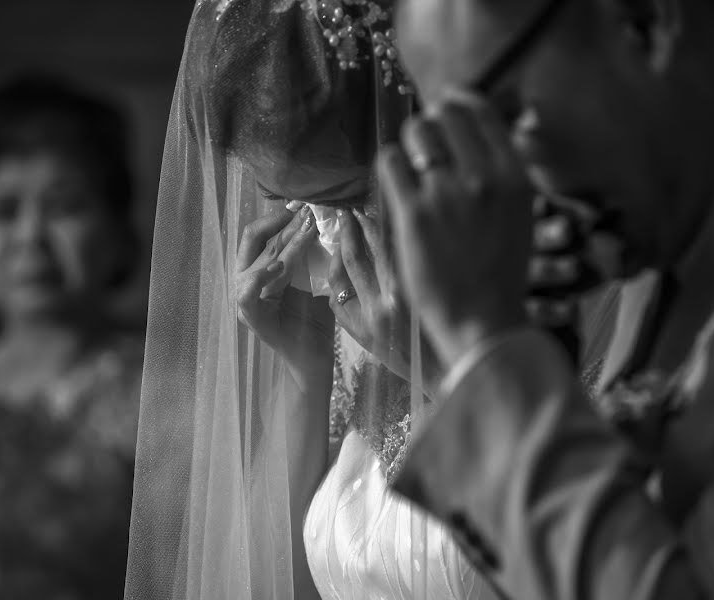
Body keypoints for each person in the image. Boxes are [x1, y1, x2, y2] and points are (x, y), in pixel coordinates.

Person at [124, 1, 616, 598]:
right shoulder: (357, 328)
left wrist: (440, 370)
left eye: (350, 199)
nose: (328, 237)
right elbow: (269, 585)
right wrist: (306, 367)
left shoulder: (603, 307)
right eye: (294, 204)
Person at [377, 0, 714, 598]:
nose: (507, 185)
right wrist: (542, 363)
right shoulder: (669, 242)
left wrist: (484, 341)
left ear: (645, 19)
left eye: (502, 117)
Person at [0, 75, 143, 598]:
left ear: (118, 233)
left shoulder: (161, 396)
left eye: (65, 207)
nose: (30, 236)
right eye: (3, 211)